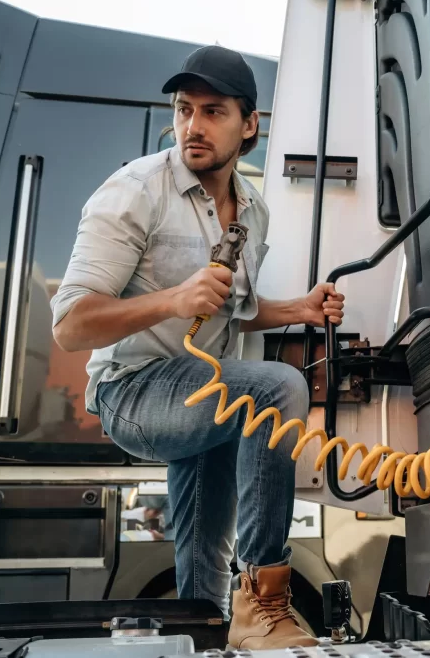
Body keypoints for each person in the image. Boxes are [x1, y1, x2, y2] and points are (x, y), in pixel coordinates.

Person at [50, 45, 344, 649]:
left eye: (213, 112)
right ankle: (265, 602)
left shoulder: (253, 210)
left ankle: (209, 638)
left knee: (203, 569)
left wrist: (298, 310)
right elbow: (71, 325)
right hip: (133, 392)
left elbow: (233, 307)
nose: (193, 126)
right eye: (185, 110)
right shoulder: (135, 190)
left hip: (204, 389)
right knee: (278, 388)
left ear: (249, 124)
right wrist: (171, 300)